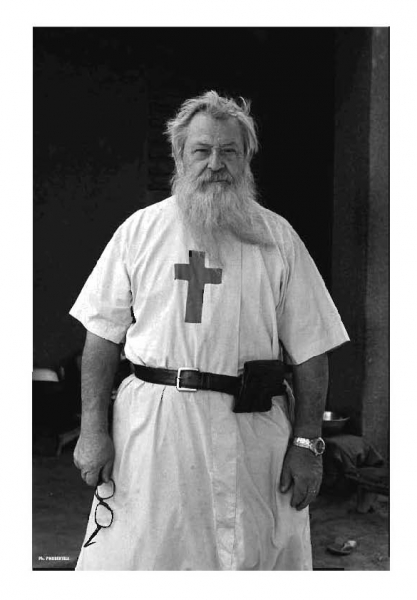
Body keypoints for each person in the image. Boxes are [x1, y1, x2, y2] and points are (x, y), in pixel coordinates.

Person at [70, 90, 349, 570]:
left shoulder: (277, 238)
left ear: (247, 159)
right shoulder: (140, 231)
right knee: (147, 557)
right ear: (180, 156)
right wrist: (92, 430)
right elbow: (101, 336)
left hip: (253, 434)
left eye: (229, 151)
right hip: (154, 431)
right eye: (202, 150)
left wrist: (307, 444)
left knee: (252, 557)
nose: (215, 164)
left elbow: (312, 348)